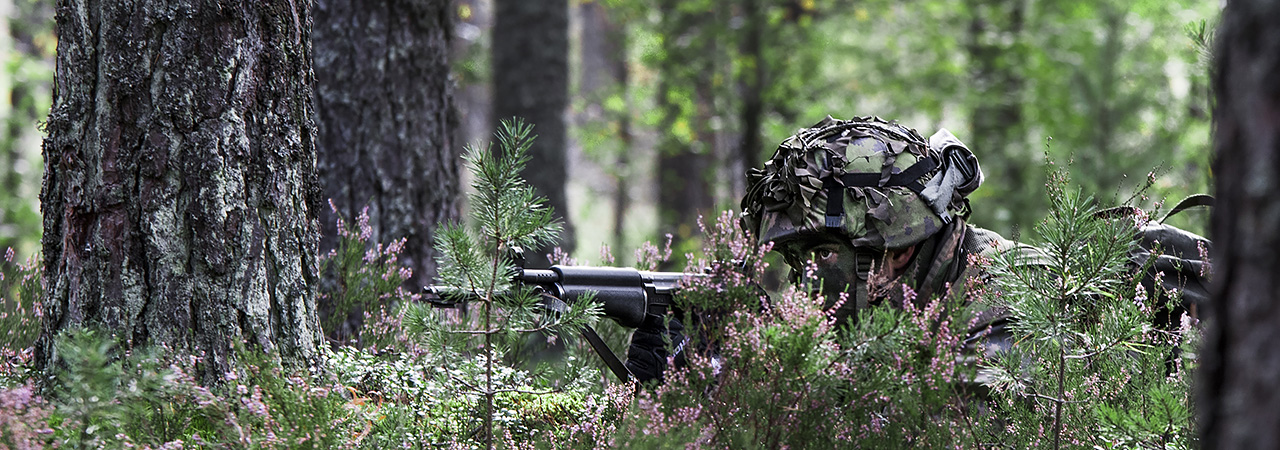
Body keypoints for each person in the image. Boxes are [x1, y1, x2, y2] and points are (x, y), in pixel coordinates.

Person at [625, 115, 1044, 384]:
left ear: (896, 250)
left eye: (823, 254)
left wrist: (743, 379)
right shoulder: (888, 297)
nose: (804, 280)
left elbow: (953, 427)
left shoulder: (1010, 292)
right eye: (797, 259)